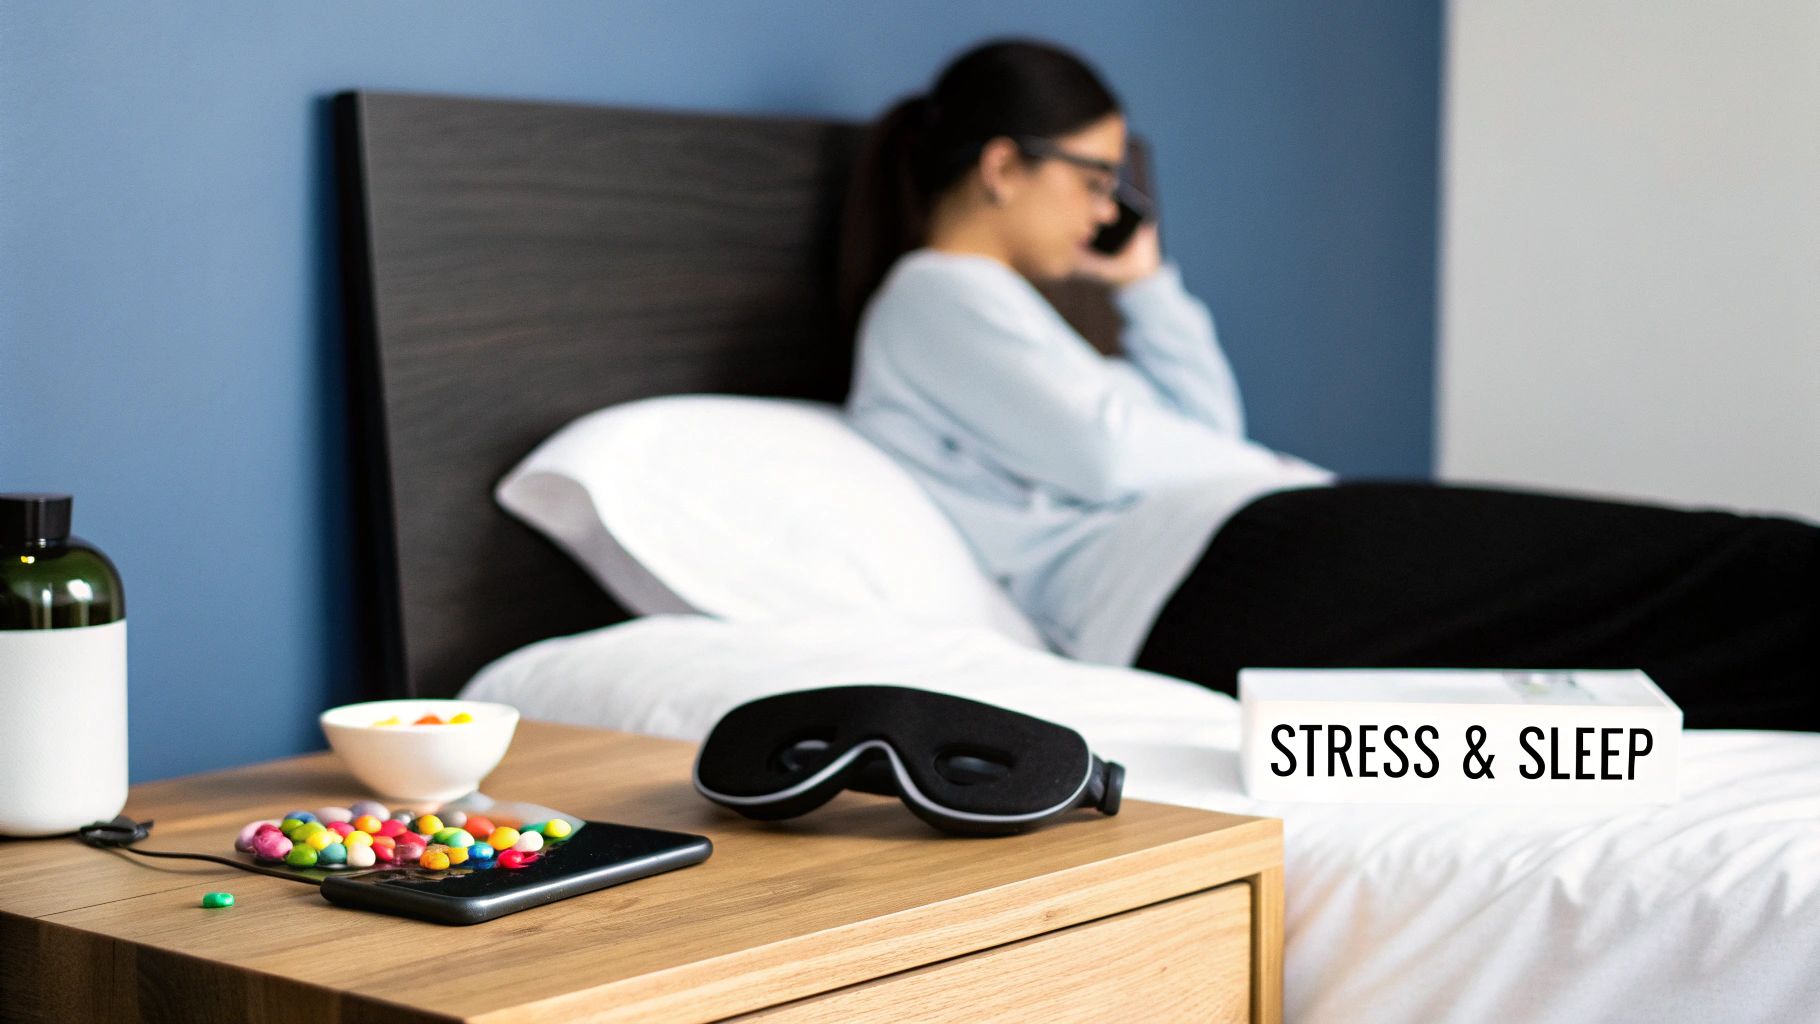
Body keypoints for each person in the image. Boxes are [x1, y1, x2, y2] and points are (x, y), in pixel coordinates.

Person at [840, 38, 1818, 732]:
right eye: (1095, 178)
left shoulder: (998, 313)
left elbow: (1199, 424)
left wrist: (1146, 286)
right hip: (1202, 571)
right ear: (1004, 166)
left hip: (1231, 554)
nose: (1105, 207)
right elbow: (1108, 452)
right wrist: (1266, 470)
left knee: (1689, 604)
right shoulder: (935, 293)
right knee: (1697, 580)